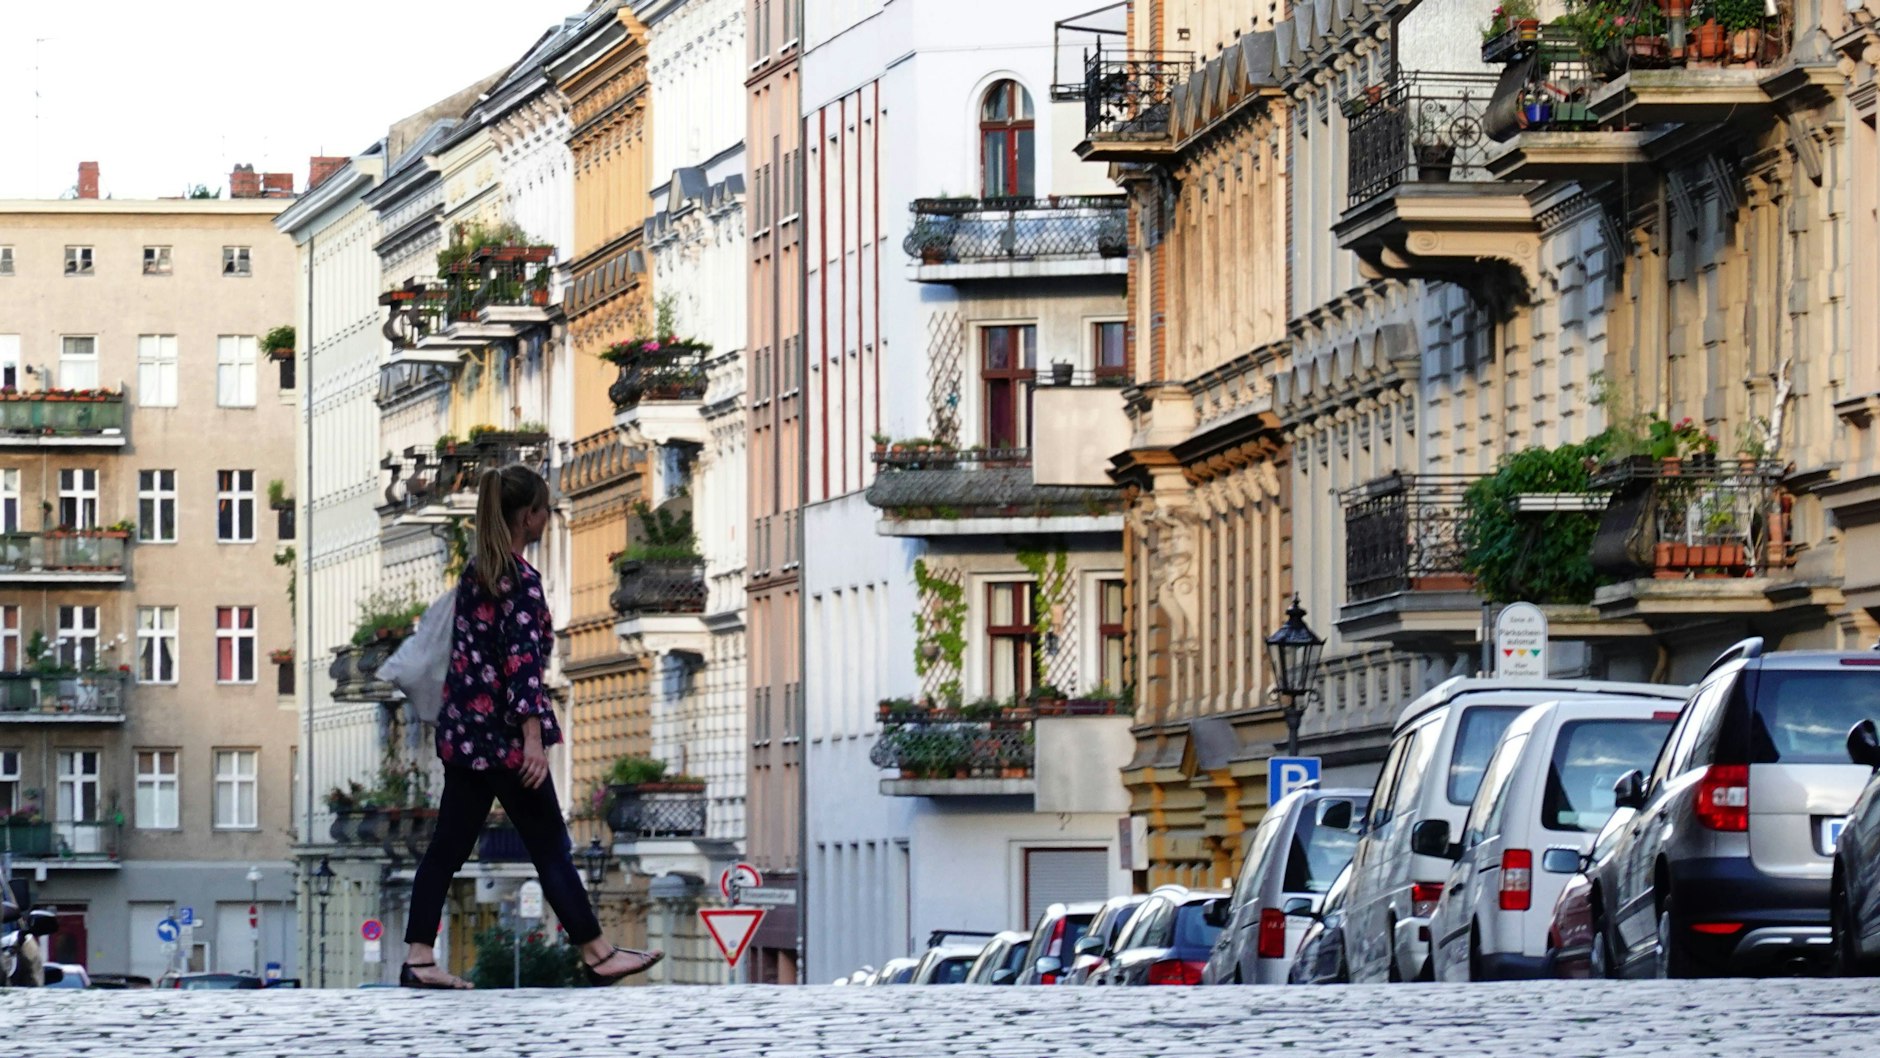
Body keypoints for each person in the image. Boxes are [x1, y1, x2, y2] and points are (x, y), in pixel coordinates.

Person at [400, 463, 663, 989]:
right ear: (528, 516)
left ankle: (419, 958)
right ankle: (597, 953)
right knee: (550, 847)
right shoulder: (519, 582)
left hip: (463, 738)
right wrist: (532, 741)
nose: (548, 519)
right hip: (503, 744)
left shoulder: (475, 574)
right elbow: (520, 665)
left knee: (446, 851)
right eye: (544, 510)